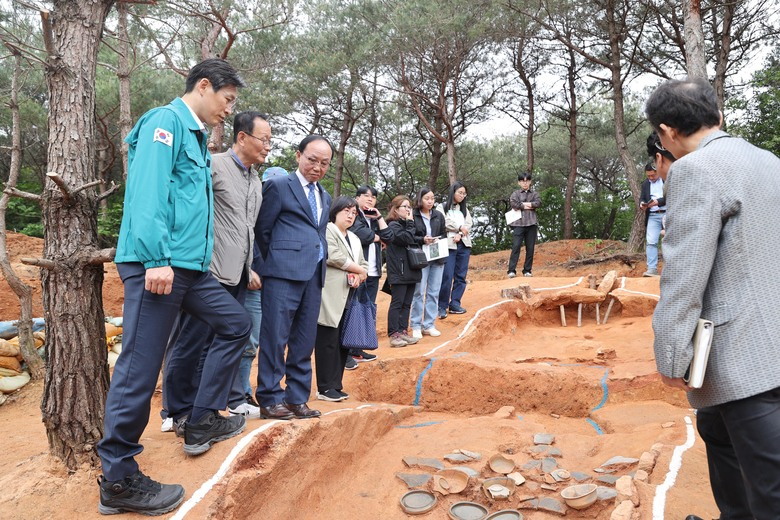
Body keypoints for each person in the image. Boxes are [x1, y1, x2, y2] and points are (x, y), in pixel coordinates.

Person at [96, 59, 250, 516]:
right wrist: (156, 259)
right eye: (227, 100)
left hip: (190, 269)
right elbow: (147, 192)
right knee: (139, 370)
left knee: (236, 322)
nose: (229, 110)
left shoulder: (198, 137)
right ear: (204, 86)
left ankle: (200, 420)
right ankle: (118, 480)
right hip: (157, 266)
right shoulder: (166, 122)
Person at [647, 78, 780, 520]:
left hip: (744, 358)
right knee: (719, 436)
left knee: (768, 488)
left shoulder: (694, 170)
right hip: (771, 339)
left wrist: (671, 357)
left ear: (666, 132)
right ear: (716, 115)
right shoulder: (768, 160)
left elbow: (684, 274)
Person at [162, 111, 269, 431]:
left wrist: (248, 269)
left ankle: (202, 412)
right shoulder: (215, 166)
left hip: (237, 276)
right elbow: (184, 205)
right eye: (263, 139)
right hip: (206, 272)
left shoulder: (256, 180)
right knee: (190, 343)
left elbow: (246, 230)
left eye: (270, 141)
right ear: (241, 137)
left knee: (220, 342)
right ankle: (173, 412)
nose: (267, 146)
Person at [254, 135, 333, 420]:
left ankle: (296, 398)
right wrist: (264, 267)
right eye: (312, 159)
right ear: (298, 156)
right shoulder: (278, 186)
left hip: (313, 274)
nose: (317, 167)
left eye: (324, 163)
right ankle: (270, 398)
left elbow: (318, 233)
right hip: (281, 274)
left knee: (304, 339)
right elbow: (261, 230)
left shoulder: (324, 195)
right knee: (275, 337)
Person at [238, 166, 288, 407]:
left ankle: (244, 392)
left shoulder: (283, 216)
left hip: (274, 283)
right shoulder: (249, 211)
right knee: (247, 340)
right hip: (251, 283)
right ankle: (241, 394)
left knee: (264, 339)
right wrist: (251, 270)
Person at [314, 196, 368, 401]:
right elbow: (332, 255)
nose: (350, 215)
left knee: (343, 341)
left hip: (350, 294)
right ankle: (324, 387)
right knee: (327, 340)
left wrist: (361, 275)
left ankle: (336, 384)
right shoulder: (327, 230)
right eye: (346, 211)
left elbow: (362, 262)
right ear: (335, 211)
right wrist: (360, 270)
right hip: (330, 294)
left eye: (354, 213)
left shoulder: (354, 238)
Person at [347, 185, 393, 364]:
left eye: (373, 197)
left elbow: (389, 236)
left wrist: (380, 217)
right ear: (357, 198)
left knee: (367, 310)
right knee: (353, 310)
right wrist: (378, 237)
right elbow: (361, 234)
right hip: (358, 270)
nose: (370, 199)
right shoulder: (354, 214)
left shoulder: (373, 217)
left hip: (373, 272)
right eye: (366, 196)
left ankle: (358, 348)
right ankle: (348, 351)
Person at [384, 196, 423, 347]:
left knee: (407, 303)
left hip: (411, 269)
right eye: (404, 206)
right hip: (399, 270)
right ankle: (394, 334)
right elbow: (406, 238)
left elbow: (415, 235)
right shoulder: (392, 225)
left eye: (409, 207)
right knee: (397, 303)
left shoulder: (407, 224)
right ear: (395, 209)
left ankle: (403, 331)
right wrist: (411, 222)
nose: (408, 209)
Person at [409, 188, 446, 339]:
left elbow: (443, 233)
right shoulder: (414, 215)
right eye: (426, 198)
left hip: (437, 256)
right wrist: (422, 239)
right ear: (420, 199)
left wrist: (437, 239)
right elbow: (410, 235)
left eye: (432, 198)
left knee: (434, 291)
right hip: (421, 257)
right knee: (418, 291)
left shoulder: (438, 215)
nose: (430, 201)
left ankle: (429, 324)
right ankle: (416, 325)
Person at [438, 182, 473, 319]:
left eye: (464, 193)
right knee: (446, 276)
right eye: (460, 192)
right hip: (449, 245)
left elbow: (469, 224)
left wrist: (461, 233)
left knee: (460, 276)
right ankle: (442, 306)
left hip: (463, 244)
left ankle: (455, 304)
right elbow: (443, 222)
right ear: (453, 192)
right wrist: (459, 227)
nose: (462, 196)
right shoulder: (442, 207)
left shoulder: (464, 209)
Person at [506, 173, 541, 278]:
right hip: (518, 224)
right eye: (522, 181)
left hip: (531, 224)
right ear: (519, 182)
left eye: (527, 181)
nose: (525, 183)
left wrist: (522, 205)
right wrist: (529, 205)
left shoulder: (535, 193)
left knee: (530, 248)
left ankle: (527, 270)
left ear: (530, 182)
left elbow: (538, 203)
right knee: (516, 247)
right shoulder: (515, 193)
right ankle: (511, 270)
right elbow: (514, 204)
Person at [639, 161, 666, 277]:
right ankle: (652, 269)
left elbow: (673, 195)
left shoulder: (667, 179)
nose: (651, 178)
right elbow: (642, 198)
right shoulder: (645, 184)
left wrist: (658, 202)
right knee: (651, 242)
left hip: (668, 213)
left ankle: (671, 268)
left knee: (671, 241)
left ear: (658, 172)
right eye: (648, 176)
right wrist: (642, 204)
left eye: (653, 175)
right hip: (653, 215)